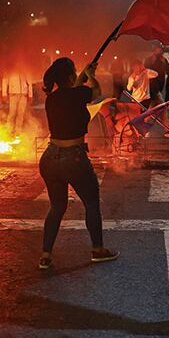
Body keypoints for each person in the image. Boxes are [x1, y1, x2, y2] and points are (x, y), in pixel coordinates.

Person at [38, 57, 119, 269]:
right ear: (71, 76)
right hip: (73, 156)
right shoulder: (79, 94)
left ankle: (45, 255)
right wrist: (91, 75)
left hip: (49, 157)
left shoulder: (52, 98)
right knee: (91, 202)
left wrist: (81, 75)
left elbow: (70, 93)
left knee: (57, 207)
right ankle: (97, 249)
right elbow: (97, 91)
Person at [1, 70, 32, 134]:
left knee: (20, 114)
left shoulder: (24, 68)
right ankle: (9, 131)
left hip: (23, 95)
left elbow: (29, 82)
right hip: (13, 94)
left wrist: (30, 95)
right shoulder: (10, 69)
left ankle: (18, 132)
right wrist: (4, 94)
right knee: (12, 113)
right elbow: (5, 81)